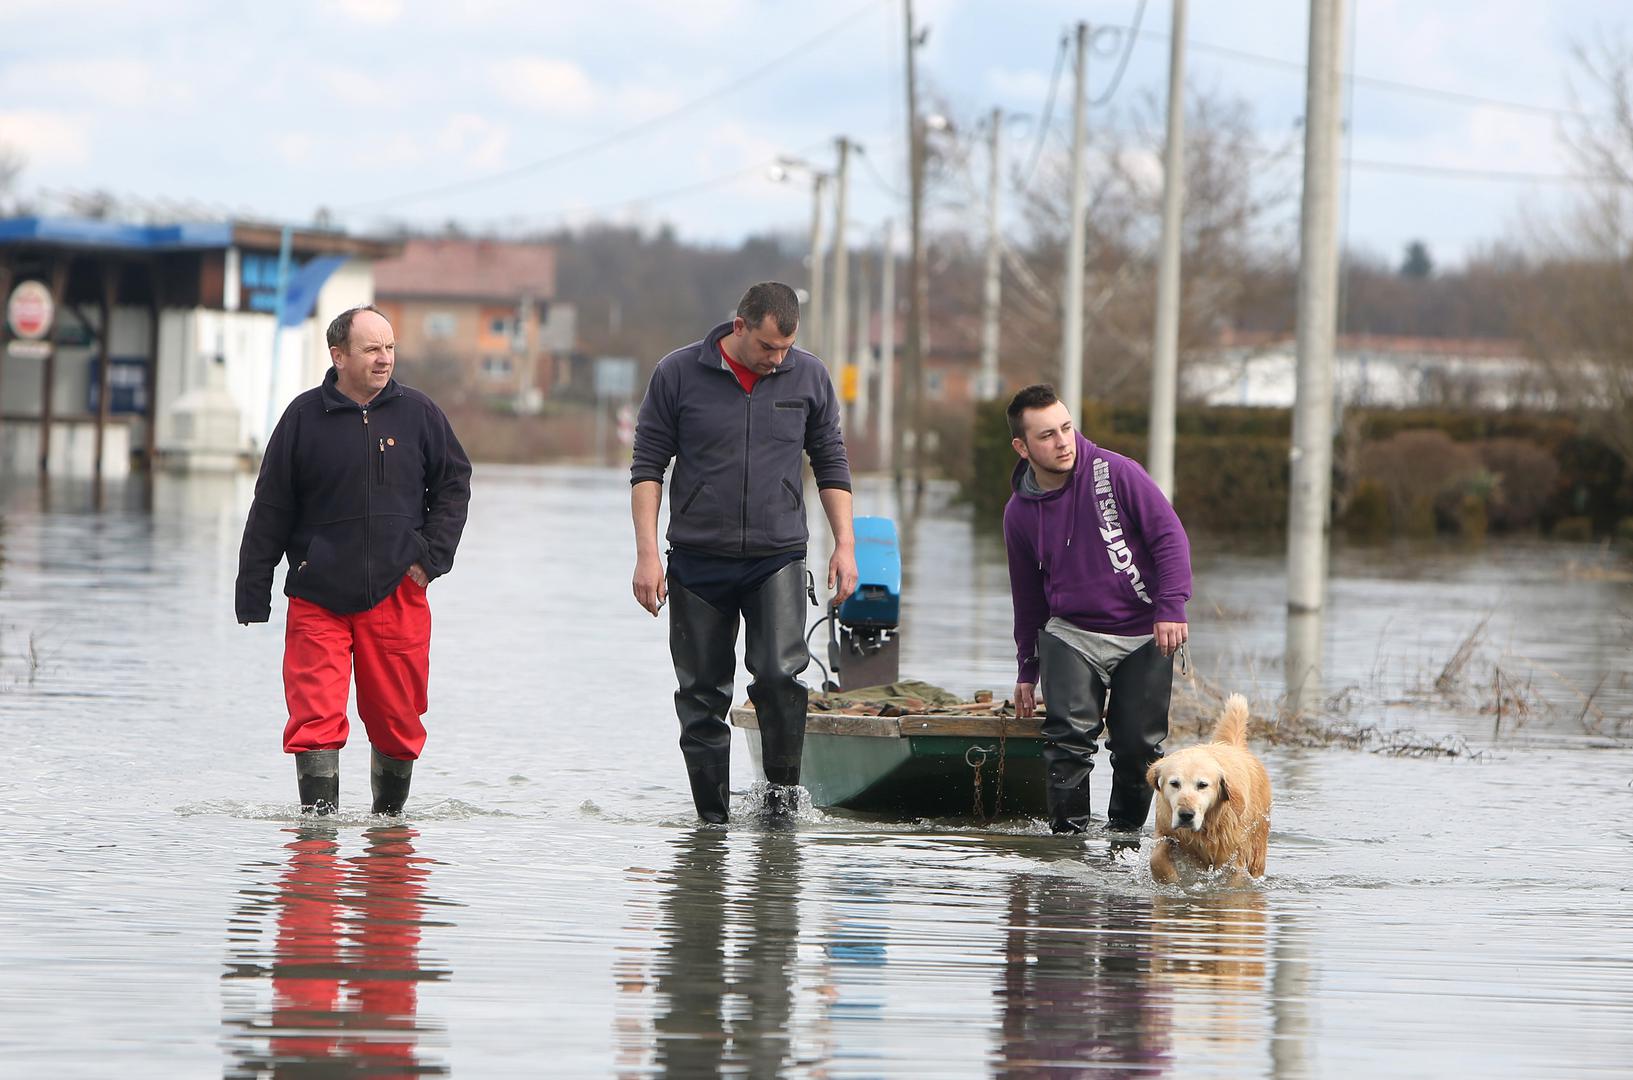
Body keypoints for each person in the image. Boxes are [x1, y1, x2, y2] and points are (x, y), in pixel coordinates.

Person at [630, 282, 858, 824]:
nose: (777, 359)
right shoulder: (677, 373)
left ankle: (781, 813)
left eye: (786, 348)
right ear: (739, 327)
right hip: (696, 559)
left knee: (780, 678)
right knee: (702, 692)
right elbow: (647, 466)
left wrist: (845, 544)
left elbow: (831, 462)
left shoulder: (809, 376)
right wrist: (646, 555)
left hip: (776, 557)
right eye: (767, 347)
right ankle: (711, 821)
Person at [236, 305, 471, 816]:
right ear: (338, 355)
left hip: (397, 591)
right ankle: (316, 846)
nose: (384, 359)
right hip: (317, 595)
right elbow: (271, 507)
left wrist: (431, 558)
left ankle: (388, 836)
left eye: (389, 348)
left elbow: (454, 486)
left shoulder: (420, 414)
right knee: (314, 716)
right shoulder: (301, 418)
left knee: (397, 719)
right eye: (371, 349)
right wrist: (253, 590)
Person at [1002, 384, 1191, 834]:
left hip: (1144, 630)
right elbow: (1027, 596)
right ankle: (1069, 847)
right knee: (1067, 741)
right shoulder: (1019, 513)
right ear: (1022, 446)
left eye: (1067, 427)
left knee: (1137, 751)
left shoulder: (1116, 473)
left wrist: (1172, 607)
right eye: (1046, 435)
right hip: (1070, 633)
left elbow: (1170, 538)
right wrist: (1027, 668)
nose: (1063, 441)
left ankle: (1123, 845)